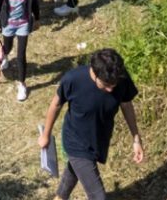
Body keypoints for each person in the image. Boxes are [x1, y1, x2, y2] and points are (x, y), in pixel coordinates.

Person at [38, 48, 144, 198]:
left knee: (74, 170)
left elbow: (126, 105)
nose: (110, 89)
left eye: (114, 85)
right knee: (98, 196)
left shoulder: (119, 77)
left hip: (99, 139)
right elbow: (56, 104)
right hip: (75, 140)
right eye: (106, 85)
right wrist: (46, 135)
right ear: (94, 73)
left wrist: (136, 139)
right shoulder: (73, 79)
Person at [0, 0, 41, 102]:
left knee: (21, 55)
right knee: (7, 47)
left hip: (23, 25)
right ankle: (5, 56)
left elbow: (35, 3)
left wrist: (37, 19)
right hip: (8, 24)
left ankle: (22, 84)